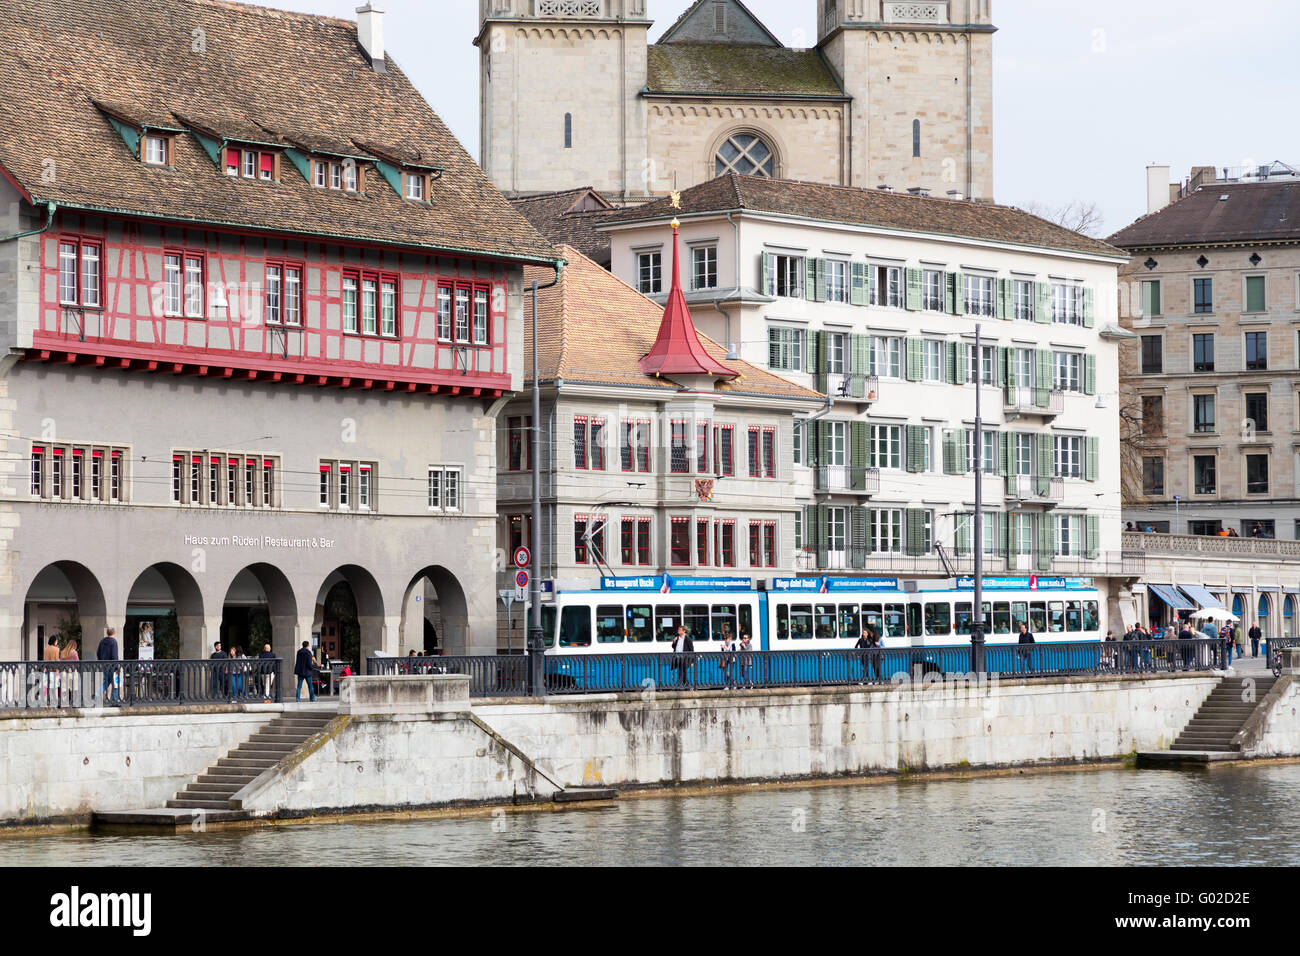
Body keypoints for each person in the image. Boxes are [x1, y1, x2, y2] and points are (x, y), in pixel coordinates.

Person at [96, 626, 120, 704]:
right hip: (112, 666)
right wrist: (116, 667)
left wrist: (101, 661)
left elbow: (98, 653)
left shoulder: (102, 641)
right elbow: (114, 655)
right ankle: (114, 700)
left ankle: (97, 694)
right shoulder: (114, 642)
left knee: (106, 681)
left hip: (104, 665)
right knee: (115, 683)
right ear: (114, 633)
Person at [60, 638, 80, 706]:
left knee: (64, 689)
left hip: (64, 672)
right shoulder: (74, 652)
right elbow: (77, 662)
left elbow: (60, 663)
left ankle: (64, 703)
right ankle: (75, 703)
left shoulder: (63, 652)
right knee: (75, 688)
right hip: (73, 672)